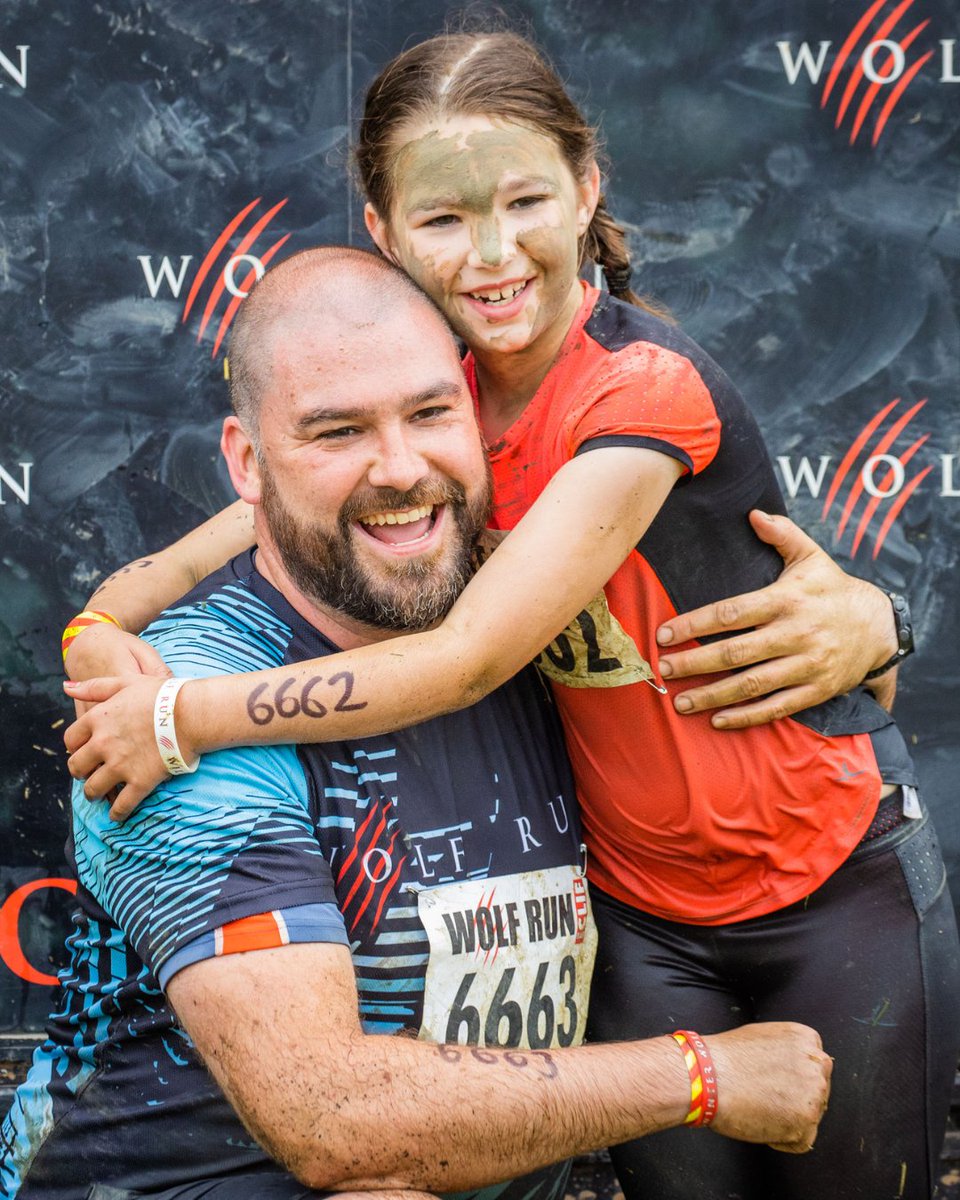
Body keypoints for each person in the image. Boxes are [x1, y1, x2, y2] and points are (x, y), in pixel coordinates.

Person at [60, 30, 958, 1200]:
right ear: (384, 231)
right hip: (646, 912)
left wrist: (182, 718)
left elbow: (470, 657)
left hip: (828, 876)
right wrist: (96, 635)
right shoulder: (442, 404)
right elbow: (214, 542)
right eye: (444, 217)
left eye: (526, 200)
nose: (492, 252)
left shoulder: (638, 389)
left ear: (587, 189)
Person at [0, 248, 833, 1200]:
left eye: (431, 414)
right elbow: (331, 1119)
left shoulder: (534, 616)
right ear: (247, 463)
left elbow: (828, 709)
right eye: (337, 431)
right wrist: (702, 1075)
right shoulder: (173, 707)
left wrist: (862, 630)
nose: (401, 470)